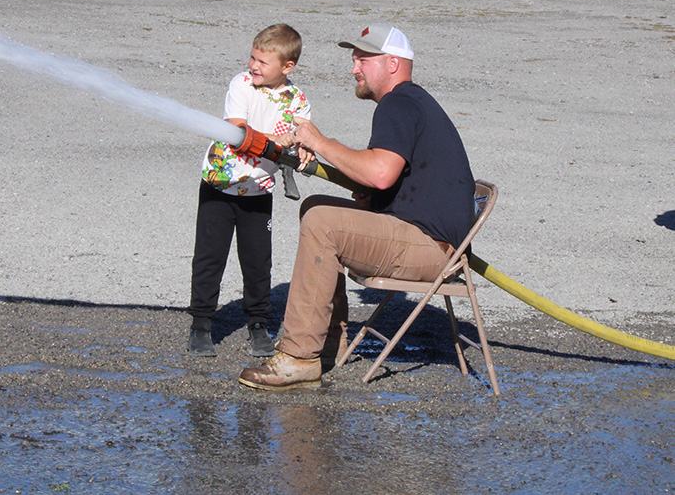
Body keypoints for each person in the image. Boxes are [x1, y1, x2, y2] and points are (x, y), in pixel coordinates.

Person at [239, 24, 476, 390]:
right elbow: (398, 178)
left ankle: (299, 357)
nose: (354, 69)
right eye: (354, 60)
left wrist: (319, 141)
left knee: (323, 222)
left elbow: (381, 173)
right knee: (317, 206)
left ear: (393, 64)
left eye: (363, 60)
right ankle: (330, 339)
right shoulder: (409, 103)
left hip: (433, 249)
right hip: (426, 237)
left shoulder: (399, 103)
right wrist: (375, 199)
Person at [188, 23, 312, 357]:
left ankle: (258, 324)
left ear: (287, 67)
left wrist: (301, 147)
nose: (254, 66)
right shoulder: (241, 84)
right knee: (209, 257)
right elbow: (238, 129)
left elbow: (304, 134)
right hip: (220, 183)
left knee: (258, 261)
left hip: (259, 190)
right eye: (252, 57)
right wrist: (275, 142)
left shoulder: (297, 100)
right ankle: (201, 326)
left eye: (262, 62)